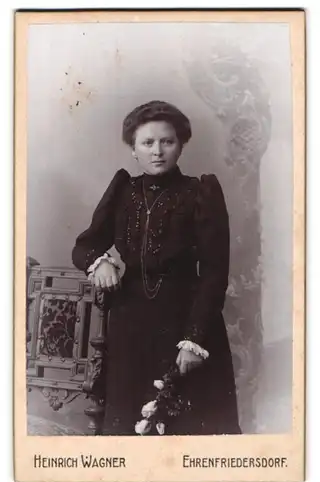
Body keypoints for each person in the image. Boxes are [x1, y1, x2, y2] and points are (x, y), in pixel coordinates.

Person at [72, 100, 241, 435]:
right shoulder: (123, 190)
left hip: (186, 322)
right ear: (133, 149)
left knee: (186, 430)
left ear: (181, 145)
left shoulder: (200, 192)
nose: (158, 151)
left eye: (168, 141)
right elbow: (84, 245)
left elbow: (213, 273)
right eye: (147, 143)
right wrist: (100, 262)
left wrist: (194, 340)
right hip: (130, 327)